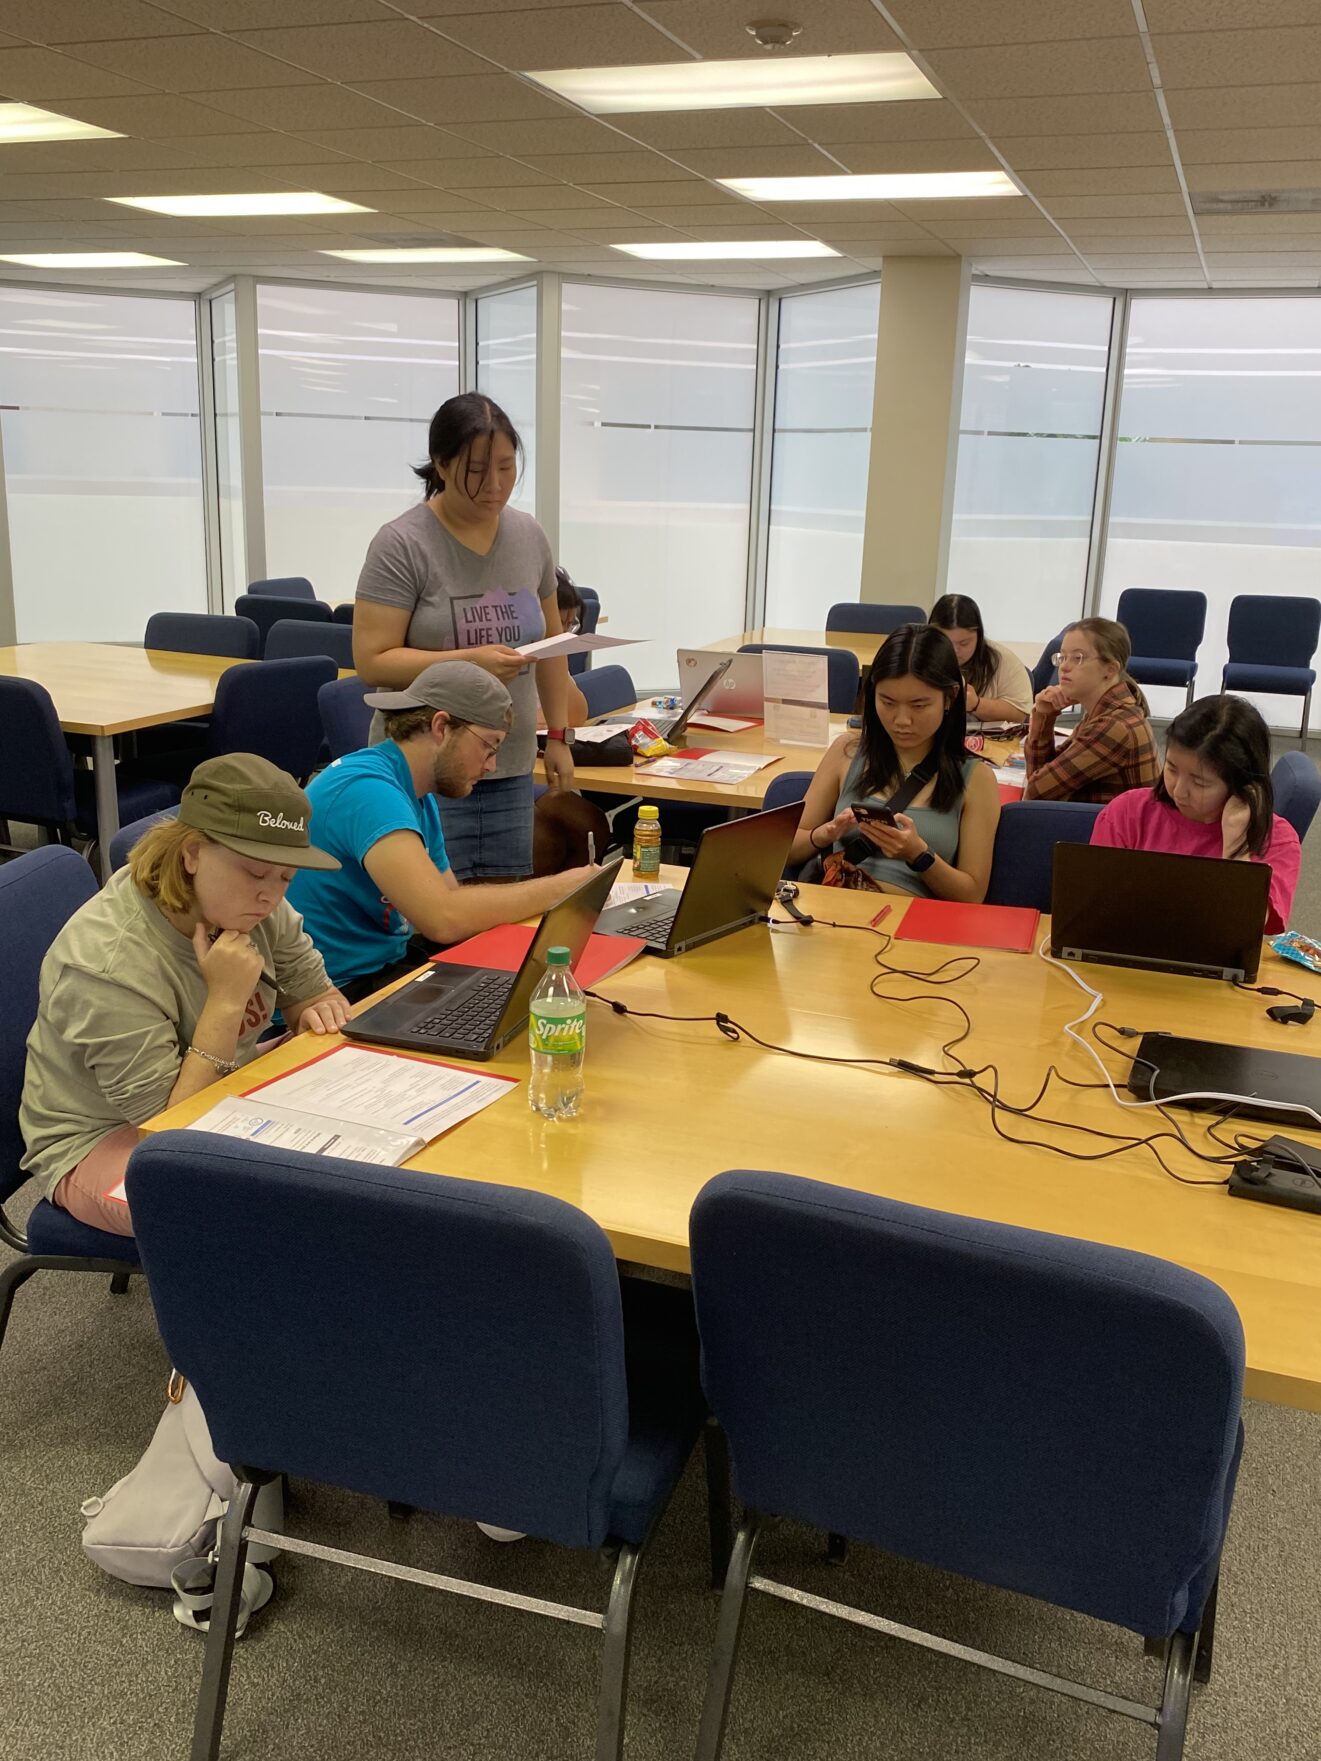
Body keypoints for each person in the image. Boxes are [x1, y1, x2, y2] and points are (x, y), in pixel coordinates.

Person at [20, 756, 350, 1238]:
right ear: (192, 853)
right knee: (276, 1212)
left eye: (286, 878)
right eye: (257, 873)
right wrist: (225, 1002)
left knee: (350, 1170)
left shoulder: (250, 904)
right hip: (102, 1137)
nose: (271, 896)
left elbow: (314, 995)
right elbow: (170, 1130)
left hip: (222, 1085)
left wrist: (319, 1011)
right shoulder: (106, 964)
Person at [352, 392, 575, 881]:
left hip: (508, 763)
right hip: (424, 768)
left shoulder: (529, 536)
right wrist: (469, 660)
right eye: (476, 469)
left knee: (502, 913)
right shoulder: (403, 543)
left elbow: (551, 649)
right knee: (426, 918)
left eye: (506, 467)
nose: (495, 485)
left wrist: (558, 736)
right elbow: (372, 660)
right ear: (441, 463)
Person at [286, 661, 599, 1000]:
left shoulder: (416, 794)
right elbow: (443, 919)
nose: (491, 764)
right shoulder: (370, 791)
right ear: (441, 726)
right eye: (488, 747)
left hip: (378, 971)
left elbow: (454, 906)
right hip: (334, 994)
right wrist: (563, 888)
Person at [787, 624, 1001, 900]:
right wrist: (824, 834)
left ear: (950, 699)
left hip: (912, 927)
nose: (902, 720)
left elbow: (972, 896)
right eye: (887, 702)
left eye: (919, 705)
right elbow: (787, 848)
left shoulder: (976, 778)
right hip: (834, 910)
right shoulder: (847, 751)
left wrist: (919, 856)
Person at [1091, 694, 1301, 933]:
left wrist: (1235, 847)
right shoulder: (1127, 812)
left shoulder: (1277, 840)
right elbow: (1094, 907)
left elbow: (1243, 930)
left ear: (1241, 784)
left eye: (1199, 783)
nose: (1179, 791)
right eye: (1171, 768)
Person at [1023, 617, 1158, 804]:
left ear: (1110, 669)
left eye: (1077, 658)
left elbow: (1036, 792)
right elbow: (1044, 776)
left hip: (1105, 830)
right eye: (1062, 657)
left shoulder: (1114, 726)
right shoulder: (1104, 712)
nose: (1064, 667)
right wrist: (1044, 715)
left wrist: (1042, 720)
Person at [928, 592, 1032, 724]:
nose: (955, 650)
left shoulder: (1001, 659)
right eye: (946, 642)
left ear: (979, 636)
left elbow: (1020, 715)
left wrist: (976, 704)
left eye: (964, 643)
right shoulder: (915, 656)